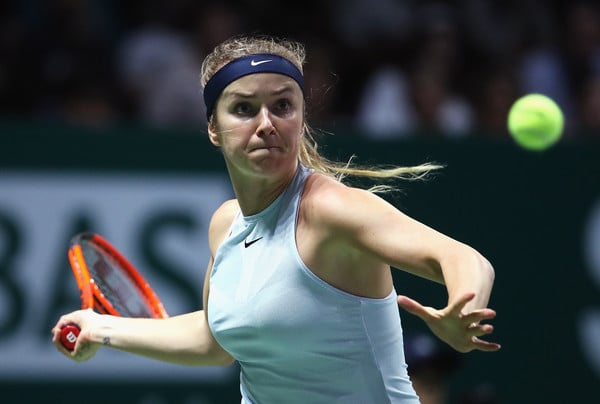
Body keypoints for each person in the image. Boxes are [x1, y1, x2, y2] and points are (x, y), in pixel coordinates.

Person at [52, 34, 500, 403]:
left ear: (301, 118)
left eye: (283, 106)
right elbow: (214, 342)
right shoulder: (225, 225)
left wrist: (467, 306)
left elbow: (461, 257)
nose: (266, 123)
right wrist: (102, 329)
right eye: (244, 108)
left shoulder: (329, 210)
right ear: (213, 127)